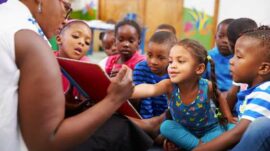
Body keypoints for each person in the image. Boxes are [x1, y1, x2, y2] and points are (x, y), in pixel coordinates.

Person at [0, 1, 142, 151]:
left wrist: (62, 105)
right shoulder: (31, 41)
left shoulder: (6, 16)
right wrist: (114, 99)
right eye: (65, 7)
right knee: (119, 126)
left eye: (87, 42)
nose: (66, 19)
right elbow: (47, 143)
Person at [131, 39, 234, 150]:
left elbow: (220, 97)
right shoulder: (169, 86)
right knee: (166, 126)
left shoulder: (206, 86)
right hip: (185, 132)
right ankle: (202, 147)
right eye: (170, 61)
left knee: (232, 128)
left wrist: (228, 117)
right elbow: (151, 89)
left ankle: (194, 146)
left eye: (180, 61)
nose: (173, 66)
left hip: (211, 130)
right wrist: (127, 92)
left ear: (199, 68)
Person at [193, 25, 270, 151]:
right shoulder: (252, 90)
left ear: (263, 68)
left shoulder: (266, 92)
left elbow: (237, 134)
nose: (231, 61)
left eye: (238, 57)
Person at [133, 31, 177, 119]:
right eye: (149, 55)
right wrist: (147, 122)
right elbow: (144, 100)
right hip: (144, 118)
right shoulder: (141, 69)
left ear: (172, 57)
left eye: (160, 57)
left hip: (168, 118)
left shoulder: (175, 72)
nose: (153, 61)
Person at [225, 18, 258, 111]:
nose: (231, 61)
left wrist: (226, 116)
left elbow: (232, 94)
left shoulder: (244, 66)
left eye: (238, 56)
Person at [203, 19, 234, 92]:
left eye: (230, 38)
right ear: (215, 37)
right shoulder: (207, 56)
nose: (225, 41)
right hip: (212, 96)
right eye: (221, 36)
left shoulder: (239, 58)